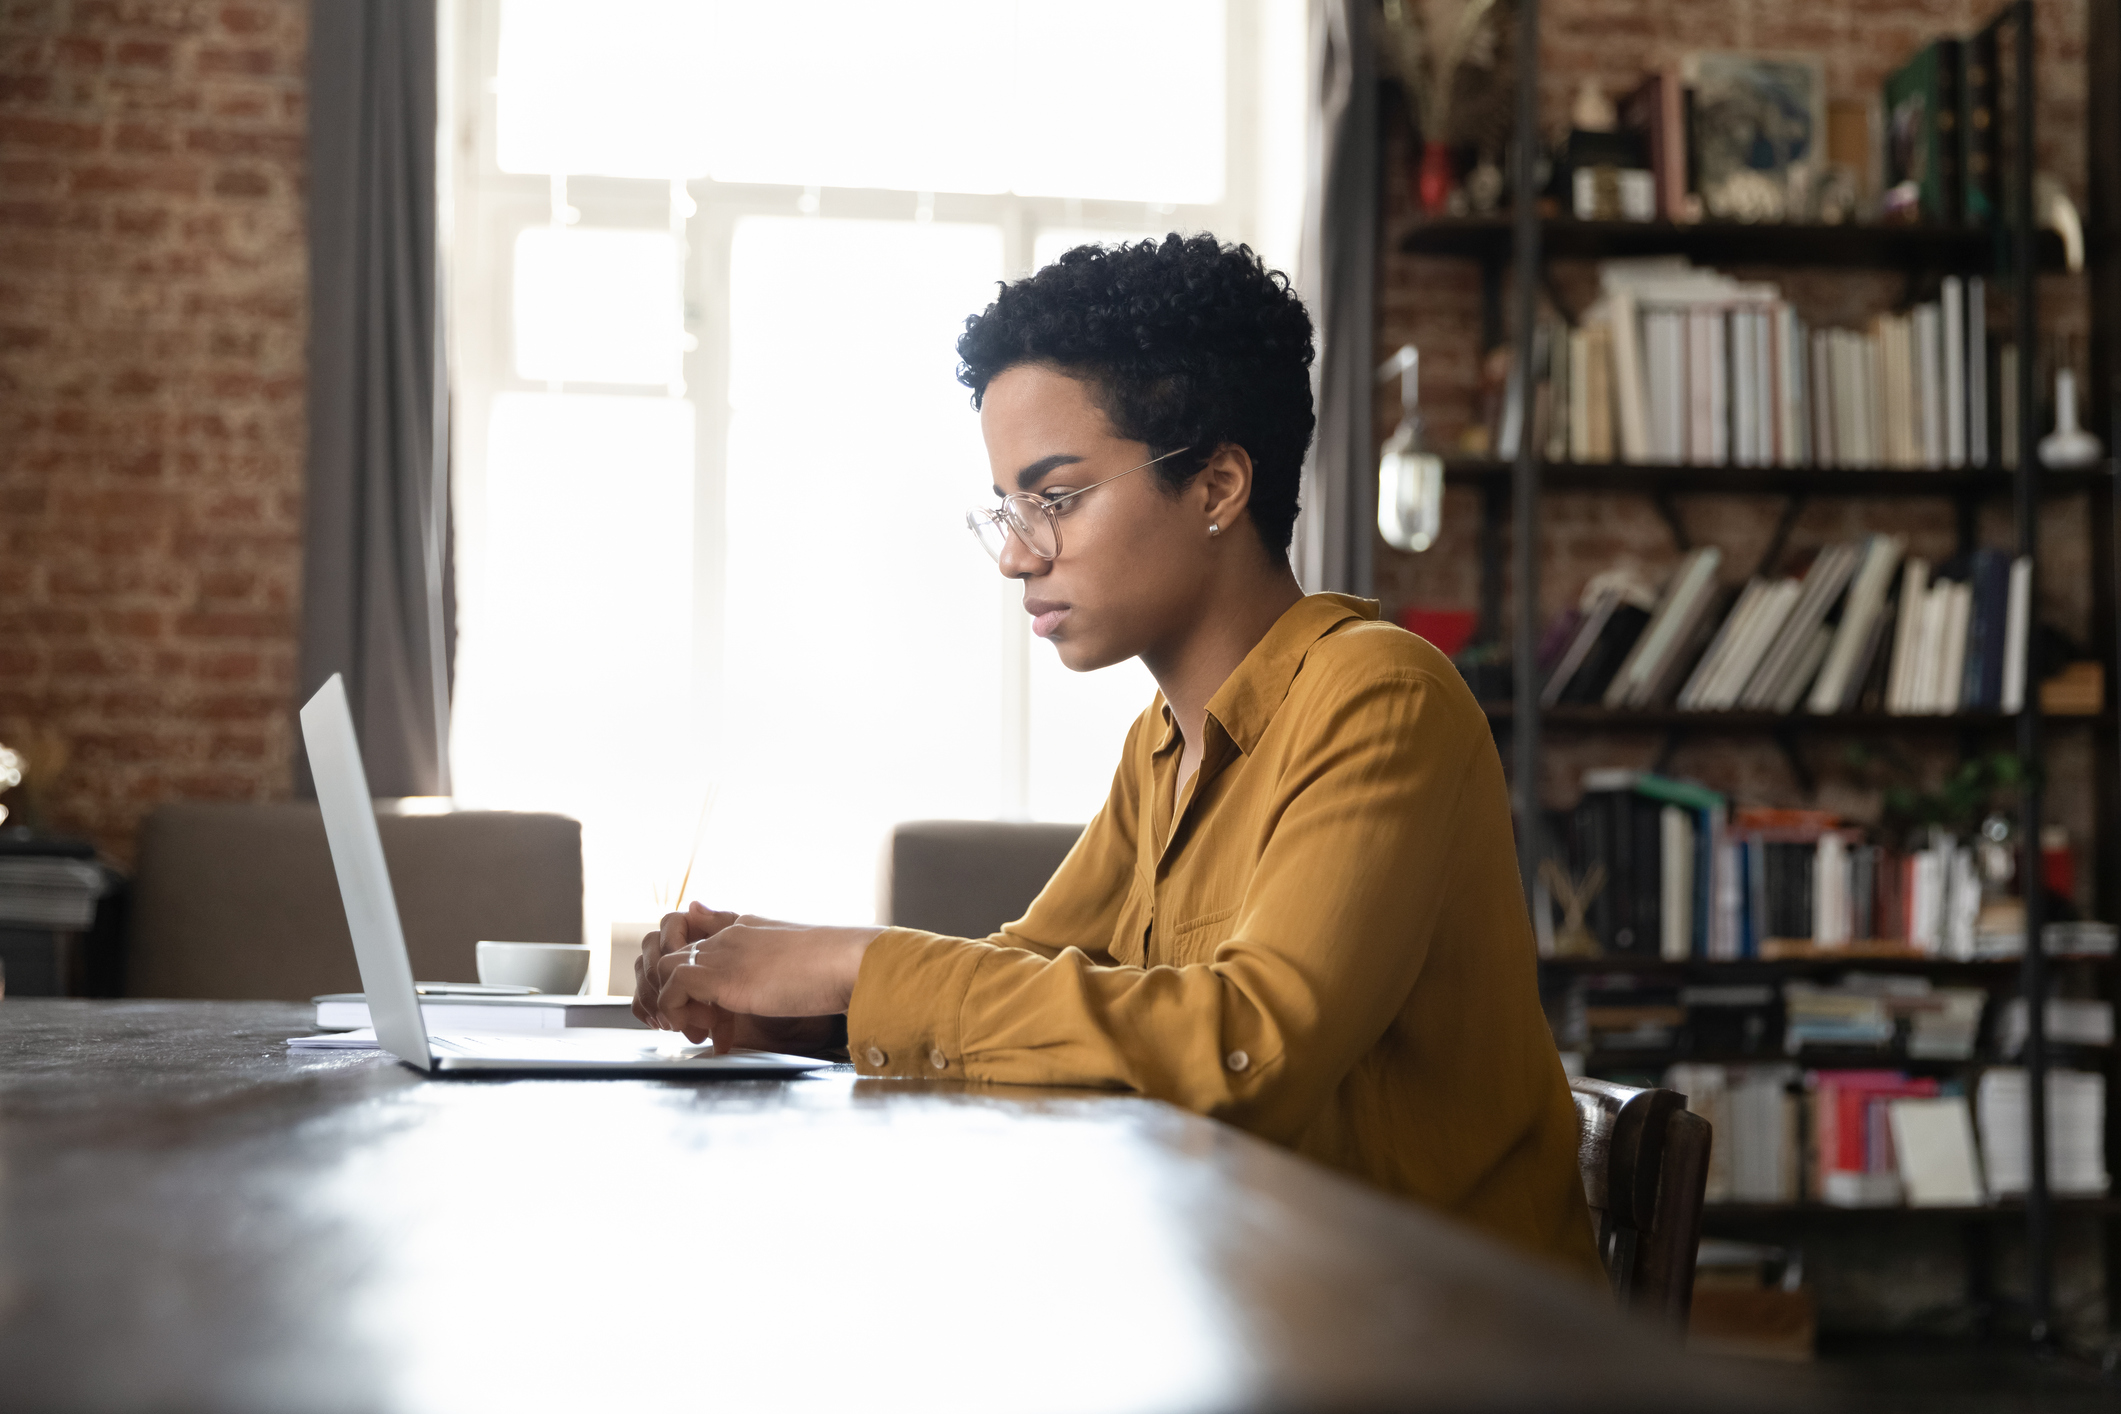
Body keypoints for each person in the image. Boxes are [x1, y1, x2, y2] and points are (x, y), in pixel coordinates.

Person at [635, 234, 1599, 1276]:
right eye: (1009, 508)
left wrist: (852, 960)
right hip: (1264, 1303)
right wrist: (786, 995)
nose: (1014, 554)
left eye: (1055, 499)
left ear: (1219, 485)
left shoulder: (1381, 697)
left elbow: (1246, 1045)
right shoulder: (1163, 744)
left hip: (1451, 1345)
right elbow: (1031, 979)